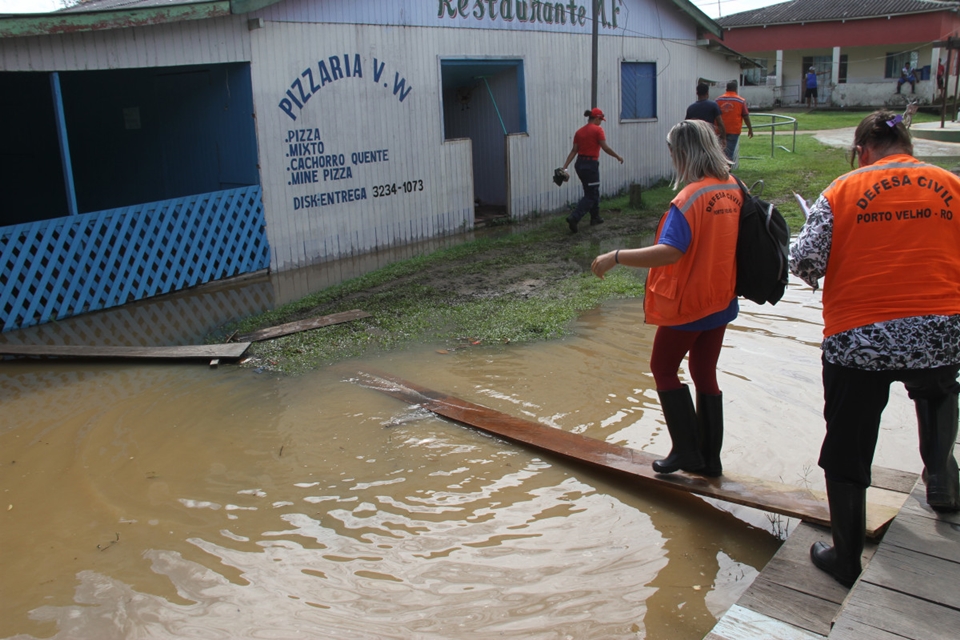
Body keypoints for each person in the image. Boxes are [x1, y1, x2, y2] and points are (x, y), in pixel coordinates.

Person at [789, 110, 960, 588]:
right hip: (941, 328)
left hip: (860, 336)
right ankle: (943, 485)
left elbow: (805, 263)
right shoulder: (951, 184)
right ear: (908, 144)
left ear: (862, 150)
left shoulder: (842, 190)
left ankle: (845, 558)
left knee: (849, 437)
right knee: (938, 390)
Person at [591, 119, 740, 477]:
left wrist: (616, 256)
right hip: (721, 299)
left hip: (689, 304)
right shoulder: (733, 187)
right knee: (704, 372)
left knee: (662, 368)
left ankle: (687, 453)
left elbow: (670, 251)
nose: (671, 157)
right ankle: (709, 460)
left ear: (682, 153)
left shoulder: (688, 199)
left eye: (672, 151)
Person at [560, 107, 623, 233]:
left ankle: (595, 217)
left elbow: (574, 151)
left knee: (592, 190)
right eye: (601, 120)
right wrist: (617, 156)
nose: (601, 122)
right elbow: (605, 147)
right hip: (590, 164)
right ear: (597, 118)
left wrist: (565, 166)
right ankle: (574, 217)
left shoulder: (579, 132)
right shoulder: (597, 130)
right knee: (591, 194)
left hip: (579, 164)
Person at [716, 80, 754, 163]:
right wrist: (750, 129)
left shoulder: (718, 100)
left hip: (719, 130)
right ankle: (727, 172)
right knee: (729, 154)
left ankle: (718, 171)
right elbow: (746, 116)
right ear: (736, 89)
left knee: (719, 153)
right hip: (733, 130)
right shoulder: (740, 101)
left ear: (726, 89)